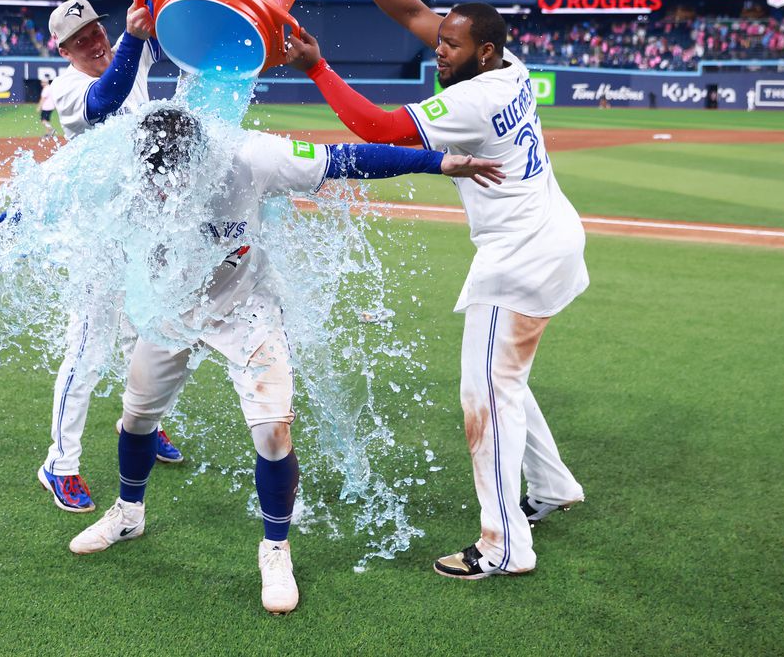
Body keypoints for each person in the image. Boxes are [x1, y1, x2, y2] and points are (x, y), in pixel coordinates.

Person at [69, 105, 505, 613]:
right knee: (137, 417)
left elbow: (344, 158)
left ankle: (275, 549)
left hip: (245, 307)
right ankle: (128, 513)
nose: (167, 191)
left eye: (177, 177)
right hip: (171, 303)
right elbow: (52, 204)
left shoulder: (252, 157)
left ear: (200, 158)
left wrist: (435, 163)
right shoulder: (123, 172)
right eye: (156, 179)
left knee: (273, 432)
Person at [284, 0, 589, 580]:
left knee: (485, 390)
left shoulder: (472, 99)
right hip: (553, 235)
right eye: (441, 41)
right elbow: (416, 15)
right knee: (507, 377)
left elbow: (380, 130)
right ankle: (553, 483)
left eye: (449, 46)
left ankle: (505, 545)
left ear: (481, 52)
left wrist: (317, 66)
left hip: (519, 256)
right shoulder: (508, 68)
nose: (437, 49)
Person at [36, 0, 197, 513]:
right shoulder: (72, 92)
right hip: (97, 242)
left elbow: (150, 4)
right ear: (63, 51)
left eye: (96, 31)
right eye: (80, 41)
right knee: (88, 348)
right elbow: (106, 103)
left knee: (159, 333)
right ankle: (60, 463)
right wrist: (130, 39)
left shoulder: (126, 53)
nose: (93, 43)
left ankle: (143, 425)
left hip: (145, 232)